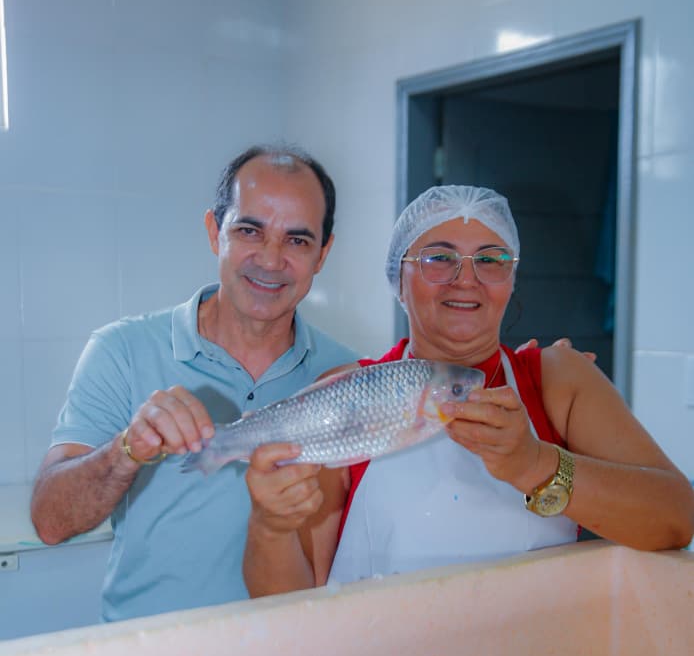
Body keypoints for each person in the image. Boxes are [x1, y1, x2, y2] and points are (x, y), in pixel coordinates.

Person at [243, 185, 694, 597]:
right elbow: (289, 602)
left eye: (491, 260)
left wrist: (536, 464)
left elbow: (676, 520)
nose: (466, 278)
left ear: (511, 279)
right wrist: (270, 526)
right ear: (398, 280)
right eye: (439, 258)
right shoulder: (351, 395)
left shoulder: (558, 380)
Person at [30, 145, 358, 621]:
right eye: (250, 230)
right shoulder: (122, 350)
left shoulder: (345, 378)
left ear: (322, 254)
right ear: (214, 232)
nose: (270, 259)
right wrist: (128, 449)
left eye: (297, 241)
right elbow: (50, 521)